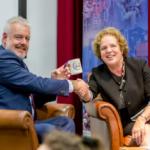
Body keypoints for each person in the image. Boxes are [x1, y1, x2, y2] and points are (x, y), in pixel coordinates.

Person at [0, 16, 89, 142]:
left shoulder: (15, 61)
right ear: (5, 38)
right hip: (10, 125)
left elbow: (31, 99)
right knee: (51, 131)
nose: (24, 42)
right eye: (19, 37)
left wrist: (55, 81)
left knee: (65, 123)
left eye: (27, 38)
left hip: (26, 122)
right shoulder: (3, 60)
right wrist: (74, 85)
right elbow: (36, 83)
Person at [78, 27, 150, 147]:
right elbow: (89, 95)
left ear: (121, 49)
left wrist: (141, 119)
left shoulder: (139, 65)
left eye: (113, 46)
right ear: (100, 54)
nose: (109, 50)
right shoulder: (97, 74)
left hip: (146, 114)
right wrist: (83, 91)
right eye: (104, 48)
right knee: (147, 134)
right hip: (127, 123)